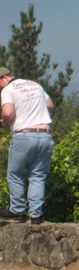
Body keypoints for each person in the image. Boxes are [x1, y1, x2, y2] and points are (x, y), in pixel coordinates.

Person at [0, 67, 54, 224]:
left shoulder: (8, 90)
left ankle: (17, 210)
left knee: (15, 173)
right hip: (45, 135)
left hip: (24, 135)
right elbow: (49, 105)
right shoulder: (35, 85)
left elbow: (8, 113)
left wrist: (5, 122)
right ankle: (36, 215)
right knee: (37, 176)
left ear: (3, 78)